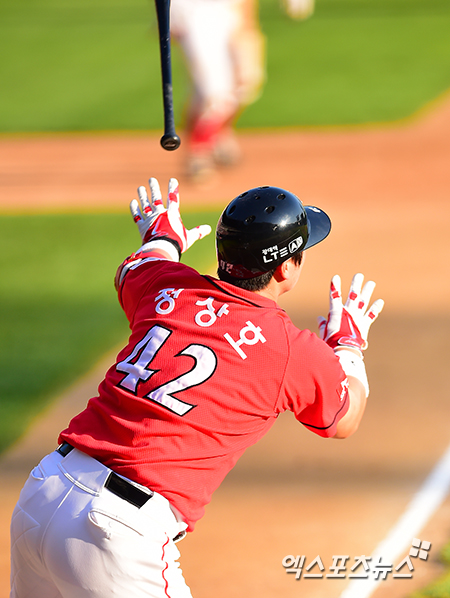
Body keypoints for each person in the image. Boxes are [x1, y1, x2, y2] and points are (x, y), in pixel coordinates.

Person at [10, 177, 384, 598]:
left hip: (44, 494)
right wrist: (348, 344)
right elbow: (344, 417)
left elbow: (133, 269)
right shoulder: (290, 351)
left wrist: (164, 236)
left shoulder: (165, 287)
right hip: (115, 534)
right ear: (285, 268)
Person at [170, 0, 315, 181]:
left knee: (248, 82)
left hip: (233, 7)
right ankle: (198, 151)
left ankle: (220, 133)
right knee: (213, 92)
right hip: (193, 11)